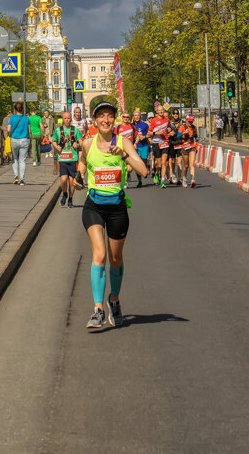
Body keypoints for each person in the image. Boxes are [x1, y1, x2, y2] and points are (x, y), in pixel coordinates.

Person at [77, 101, 147, 329]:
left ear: (114, 119)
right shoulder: (87, 144)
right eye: (101, 116)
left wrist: (124, 156)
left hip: (117, 207)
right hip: (94, 206)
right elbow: (82, 163)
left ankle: (113, 300)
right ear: (95, 120)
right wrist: (78, 179)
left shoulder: (124, 142)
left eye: (109, 116)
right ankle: (97, 309)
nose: (105, 120)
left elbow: (143, 171)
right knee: (99, 254)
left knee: (115, 259)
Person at [52, 110, 83, 208]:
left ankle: (70, 199)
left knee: (71, 181)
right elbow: (53, 141)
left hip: (73, 159)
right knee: (63, 179)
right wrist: (57, 147)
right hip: (62, 159)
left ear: (71, 119)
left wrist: (77, 144)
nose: (66, 120)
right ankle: (64, 193)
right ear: (62, 119)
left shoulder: (75, 130)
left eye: (68, 118)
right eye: (65, 118)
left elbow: (81, 142)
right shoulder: (58, 130)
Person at [7, 101, 30, 185]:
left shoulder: (12, 118)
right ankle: (22, 180)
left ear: (15, 109)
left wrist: (10, 134)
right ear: (22, 109)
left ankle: (16, 176)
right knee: (22, 160)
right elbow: (29, 131)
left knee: (15, 158)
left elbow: (8, 130)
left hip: (14, 140)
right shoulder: (26, 118)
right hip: (24, 140)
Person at [147, 104, 170, 188]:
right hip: (156, 143)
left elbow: (168, 128)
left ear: (164, 111)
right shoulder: (154, 121)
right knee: (159, 164)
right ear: (157, 112)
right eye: (159, 110)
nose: (161, 111)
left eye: (162, 110)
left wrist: (169, 130)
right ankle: (157, 173)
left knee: (164, 163)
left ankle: (162, 181)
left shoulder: (167, 120)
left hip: (165, 142)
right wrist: (156, 133)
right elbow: (149, 133)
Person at [114, 111, 135, 183]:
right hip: (121, 148)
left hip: (130, 148)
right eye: (124, 117)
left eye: (127, 117)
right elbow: (114, 138)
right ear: (122, 118)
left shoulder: (132, 126)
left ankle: (127, 174)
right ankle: (124, 180)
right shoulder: (118, 127)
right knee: (122, 164)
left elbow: (137, 135)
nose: (126, 118)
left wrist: (135, 143)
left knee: (130, 167)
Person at [179, 114, 198, 187]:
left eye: (192, 121)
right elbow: (178, 135)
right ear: (187, 120)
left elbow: (196, 135)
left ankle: (193, 179)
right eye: (189, 121)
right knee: (186, 165)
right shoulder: (182, 127)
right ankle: (184, 178)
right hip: (184, 147)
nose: (190, 123)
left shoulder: (194, 127)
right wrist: (184, 133)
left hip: (192, 146)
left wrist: (196, 138)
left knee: (192, 164)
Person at [132, 109, 149, 187]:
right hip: (136, 147)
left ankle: (145, 169)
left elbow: (149, 133)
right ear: (133, 117)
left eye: (138, 115)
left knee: (144, 161)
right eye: (135, 116)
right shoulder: (131, 125)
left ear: (140, 116)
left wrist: (144, 137)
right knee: (137, 163)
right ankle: (139, 181)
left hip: (144, 145)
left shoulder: (144, 125)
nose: (136, 117)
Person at [167, 109, 183, 185]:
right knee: (172, 162)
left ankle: (179, 178)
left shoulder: (182, 122)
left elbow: (185, 131)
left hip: (179, 144)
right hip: (172, 144)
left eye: (177, 113)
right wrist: (169, 133)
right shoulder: (169, 123)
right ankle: (173, 175)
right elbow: (166, 132)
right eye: (174, 113)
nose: (176, 114)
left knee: (179, 162)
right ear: (172, 115)